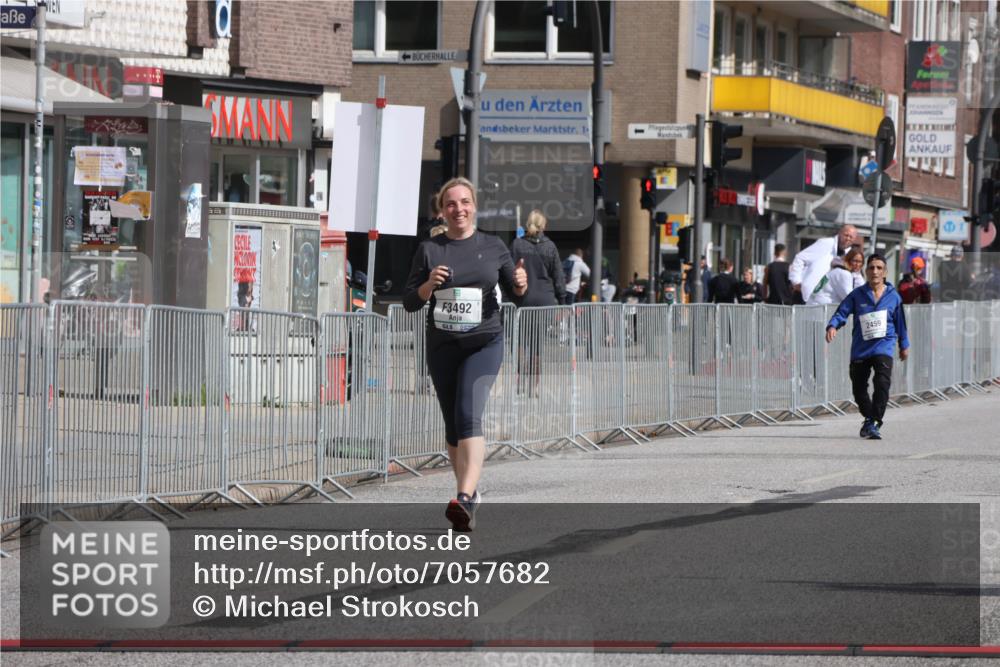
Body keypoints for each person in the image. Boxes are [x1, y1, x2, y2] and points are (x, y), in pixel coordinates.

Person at [403, 177, 527, 532]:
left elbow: (516, 292)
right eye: (451, 203)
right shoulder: (430, 250)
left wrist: (521, 281)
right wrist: (429, 284)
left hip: (484, 342)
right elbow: (410, 301)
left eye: (465, 202)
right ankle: (468, 498)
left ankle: (465, 496)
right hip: (442, 346)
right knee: (453, 427)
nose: (459, 209)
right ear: (442, 210)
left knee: (468, 413)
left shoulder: (492, 245)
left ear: (474, 206)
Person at [825, 253, 909, 440]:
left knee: (882, 384)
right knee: (859, 389)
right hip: (861, 349)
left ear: (885, 272)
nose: (875, 271)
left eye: (879, 268)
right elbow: (842, 312)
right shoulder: (857, 295)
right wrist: (832, 325)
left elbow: (901, 322)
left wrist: (904, 345)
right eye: (871, 267)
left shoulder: (893, 296)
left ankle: (875, 422)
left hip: (884, 347)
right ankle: (869, 419)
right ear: (866, 271)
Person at [789, 225, 858, 303]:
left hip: (827, 299)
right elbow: (800, 258)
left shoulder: (850, 254)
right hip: (806, 294)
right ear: (840, 233)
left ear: (854, 239)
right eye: (846, 235)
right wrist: (796, 281)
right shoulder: (826, 243)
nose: (847, 239)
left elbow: (856, 275)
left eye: (851, 237)